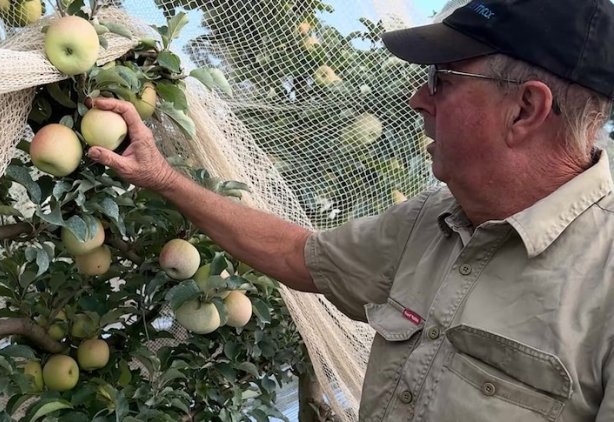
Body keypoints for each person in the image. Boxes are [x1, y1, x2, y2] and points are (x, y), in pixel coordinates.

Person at [85, 0, 614, 419]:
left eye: (442, 81)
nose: (418, 100)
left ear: (526, 109)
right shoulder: (430, 220)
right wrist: (163, 178)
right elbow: (299, 253)